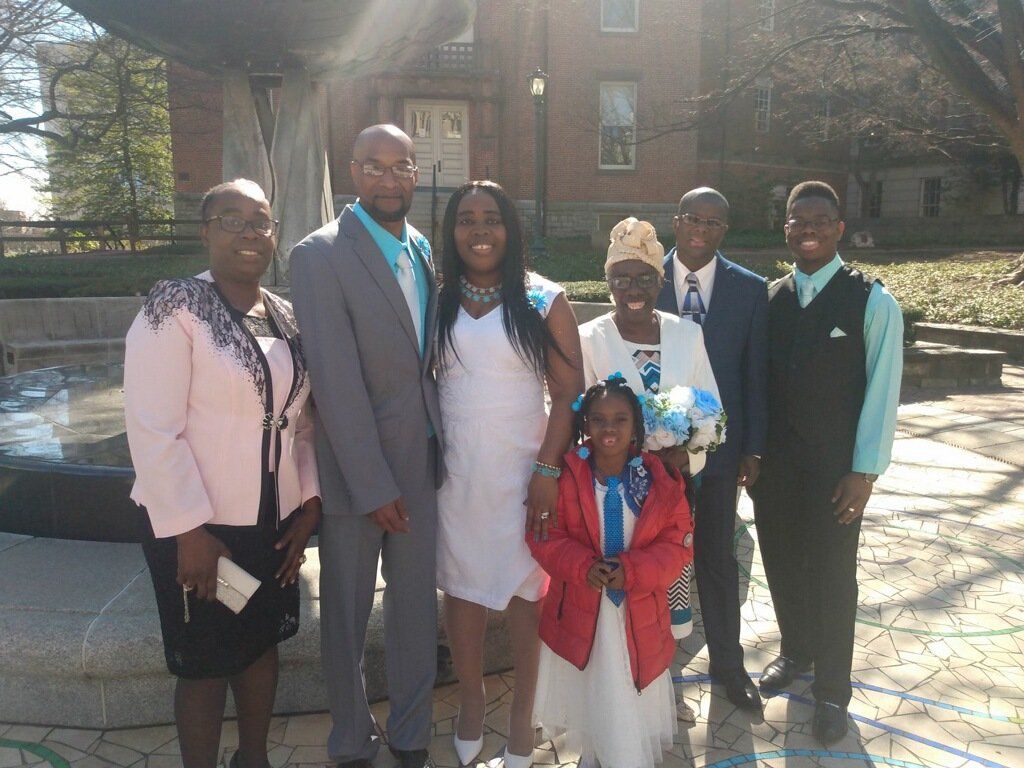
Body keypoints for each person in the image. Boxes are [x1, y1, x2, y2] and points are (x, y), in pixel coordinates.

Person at [124, 179, 322, 768]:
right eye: (229, 219)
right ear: (205, 231)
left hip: (272, 526)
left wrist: (309, 505)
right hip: (201, 532)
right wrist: (188, 531)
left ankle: (254, 759)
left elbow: (301, 423)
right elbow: (152, 427)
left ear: (274, 234)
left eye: (259, 220)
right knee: (209, 662)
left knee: (260, 646)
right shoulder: (175, 307)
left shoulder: (285, 316)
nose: (248, 232)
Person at [288, 125, 443, 768]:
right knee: (347, 617)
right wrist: (376, 485)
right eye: (374, 167)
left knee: (413, 614)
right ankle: (351, 738)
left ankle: (410, 734)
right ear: (352, 172)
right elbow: (336, 382)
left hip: (423, 464)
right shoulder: (318, 254)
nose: (388, 179)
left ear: (414, 173)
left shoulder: (423, 246)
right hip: (359, 475)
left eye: (400, 167)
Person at [435, 181, 583, 767]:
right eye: (466, 219)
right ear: (451, 231)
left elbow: (568, 393)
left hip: (524, 473)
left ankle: (522, 718)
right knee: (463, 588)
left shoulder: (544, 299)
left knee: (528, 595)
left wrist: (546, 471)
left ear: (511, 228)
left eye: (491, 219)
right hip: (455, 475)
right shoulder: (436, 297)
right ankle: (472, 702)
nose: (479, 231)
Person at [750, 180, 903, 745]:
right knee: (782, 563)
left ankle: (833, 691)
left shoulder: (872, 300)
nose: (808, 228)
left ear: (839, 228)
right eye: (797, 220)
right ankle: (796, 652)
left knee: (835, 576)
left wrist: (864, 473)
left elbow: (882, 391)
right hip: (777, 471)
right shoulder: (770, 298)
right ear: (785, 227)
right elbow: (757, 384)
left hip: (838, 473)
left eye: (819, 219)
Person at [530, 377, 693, 768]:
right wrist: (583, 566)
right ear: (584, 424)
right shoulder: (565, 476)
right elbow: (544, 536)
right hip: (586, 612)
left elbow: (678, 544)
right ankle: (596, 755)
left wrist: (633, 570)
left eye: (620, 419)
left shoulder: (660, 481)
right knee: (595, 688)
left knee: (626, 689)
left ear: (636, 427)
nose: (609, 428)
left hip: (636, 613)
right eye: (599, 419)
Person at [578, 218, 718, 665]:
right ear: (609, 282)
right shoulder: (590, 339)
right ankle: (616, 673)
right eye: (621, 278)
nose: (632, 288)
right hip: (611, 490)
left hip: (672, 485)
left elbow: (709, 407)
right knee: (619, 579)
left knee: (665, 575)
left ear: (661, 281)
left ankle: (659, 670)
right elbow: (578, 415)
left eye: (644, 278)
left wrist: (686, 454)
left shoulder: (687, 334)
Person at [656, 187, 768, 711]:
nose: (701, 229)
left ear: (726, 229)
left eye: (714, 222)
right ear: (676, 222)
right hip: (655, 456)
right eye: (692, 218)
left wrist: (753, 448)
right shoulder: (643, 278)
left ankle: (728, 663)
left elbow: (754, 375)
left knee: (717, 558)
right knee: (653, 559)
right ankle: (650, 662)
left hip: (720, 457)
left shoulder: (749, 290)